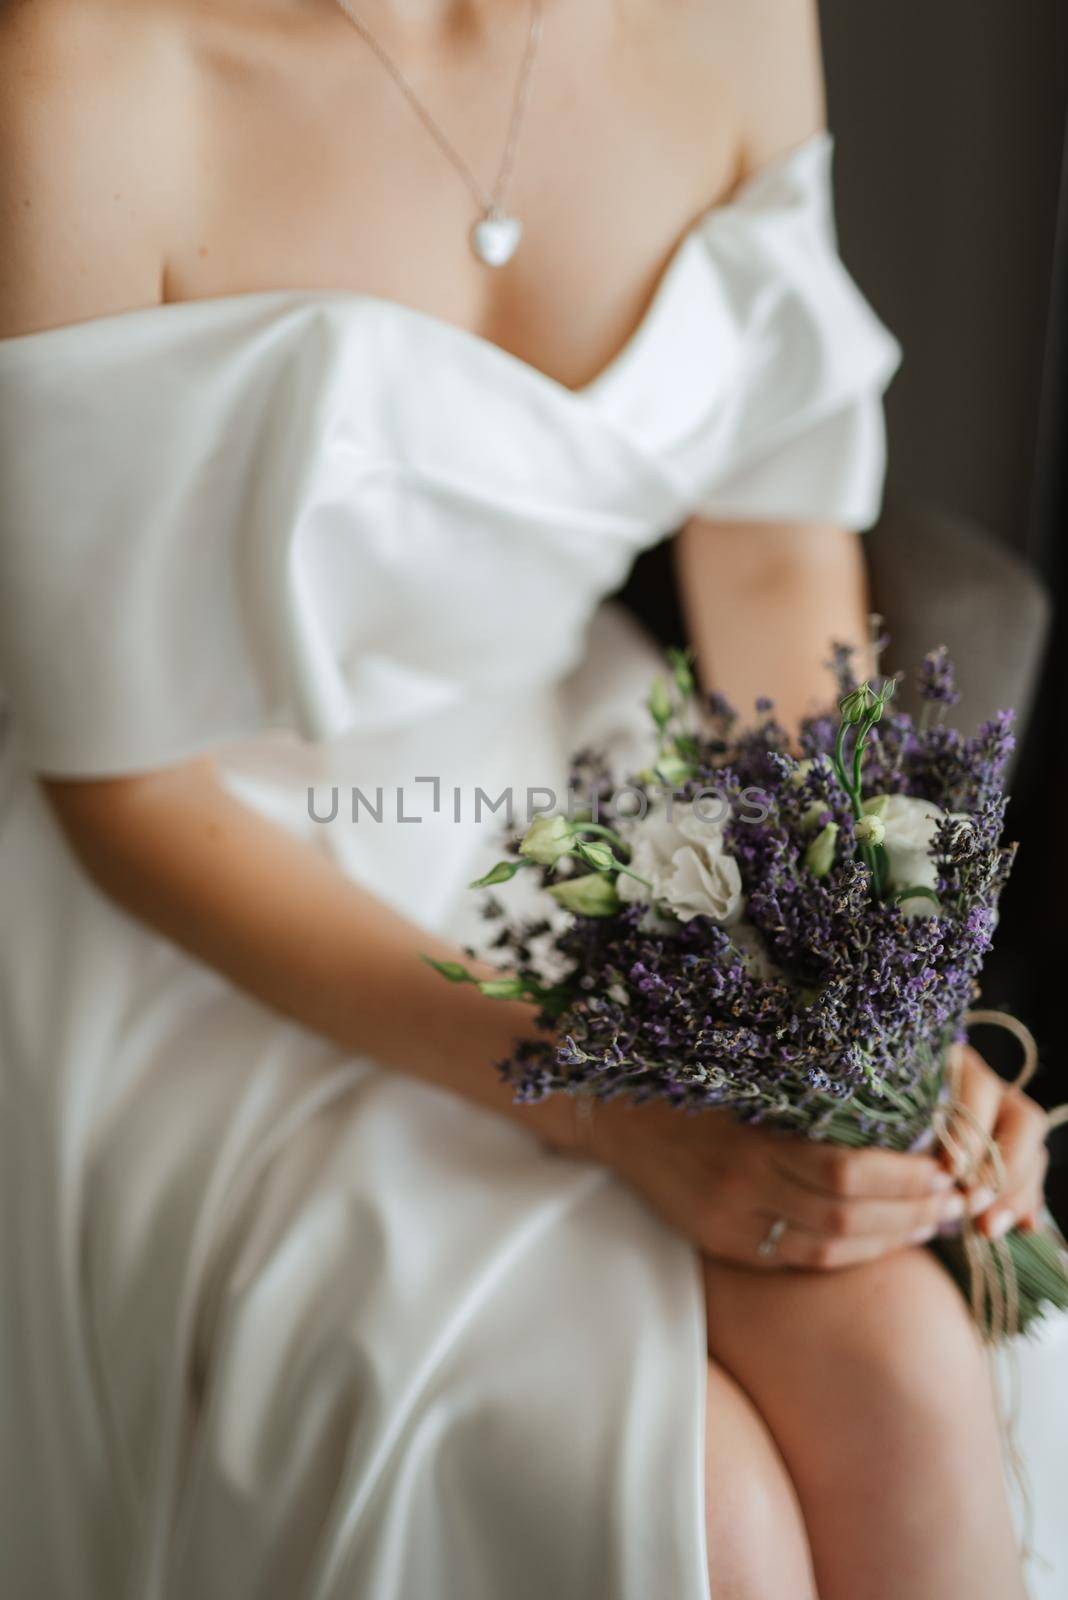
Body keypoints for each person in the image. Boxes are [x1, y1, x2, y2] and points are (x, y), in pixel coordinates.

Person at [0, 2, 1063, 1597]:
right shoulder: (90, 75)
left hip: (574, 813)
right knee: (693, 1517)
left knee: (912, 1370)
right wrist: (595, 1103)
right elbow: (127, 793)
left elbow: (769, 548)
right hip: (207, 909)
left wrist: (874, 991)